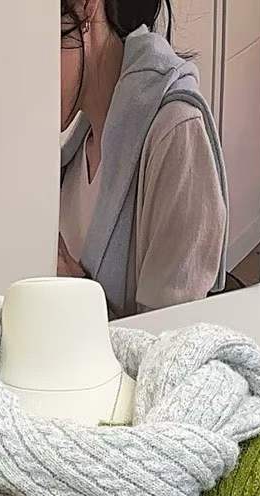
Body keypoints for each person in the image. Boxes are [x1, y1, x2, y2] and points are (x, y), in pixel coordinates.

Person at [60, 0, 229, 316]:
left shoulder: (175, 134)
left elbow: (171, 336)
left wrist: (73, 294)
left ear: (86, 7)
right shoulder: (76, 147)